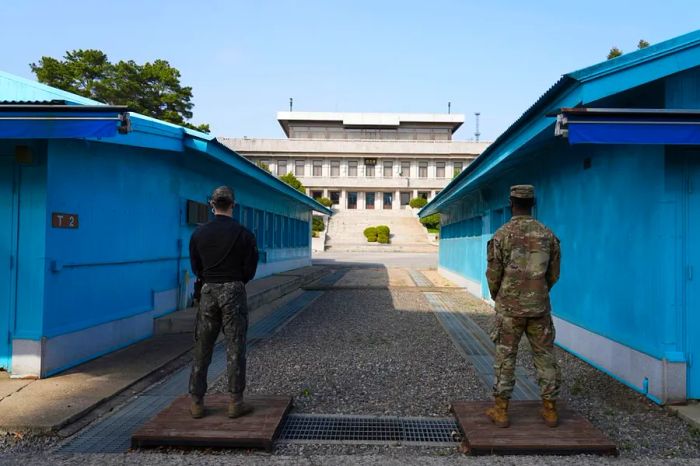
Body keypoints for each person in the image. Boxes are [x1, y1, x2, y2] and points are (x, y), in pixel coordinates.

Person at [485, 184, 562, 428]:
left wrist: (499, 296)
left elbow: (493, 273)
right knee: (545, 356)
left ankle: (501, 411)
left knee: (506, 357)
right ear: (533, 204)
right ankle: (550, 410)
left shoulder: (502, 234)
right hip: (539, 307)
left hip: (509, 309)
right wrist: (539, 290)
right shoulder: (547, 234)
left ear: (511, 203)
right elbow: (554, 273)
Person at [188, 186, 259, 419]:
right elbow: (250, 268)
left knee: (202, 346)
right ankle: (235, 402)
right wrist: (237, 281)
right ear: (233, 205)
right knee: (235, 345)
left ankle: (197, 402)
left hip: (208, 290)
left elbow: (196, 267)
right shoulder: (244, 234)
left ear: (212, 204)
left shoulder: (199, 234)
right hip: (234, 290)